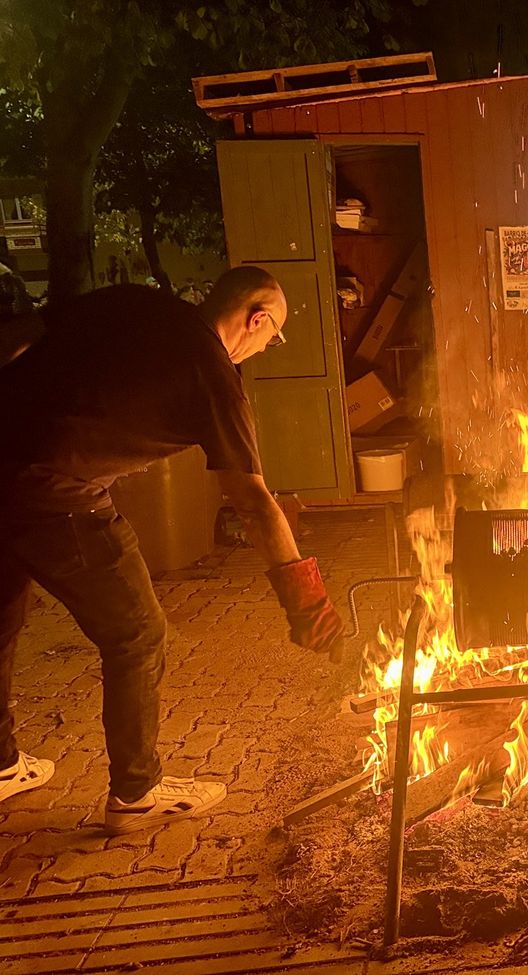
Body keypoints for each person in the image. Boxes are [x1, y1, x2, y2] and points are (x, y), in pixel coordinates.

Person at [0, 268, 346, 831]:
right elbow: (254, 503)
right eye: (273, 336)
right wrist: (307, 604)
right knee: (138, 633)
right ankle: (137, 793)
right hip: (55, 491)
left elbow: (22, 333)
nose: (266, 347)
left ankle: (2, 767)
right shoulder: (213, 374)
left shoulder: (134, 302)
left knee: (1, 622)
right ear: (257, 319)